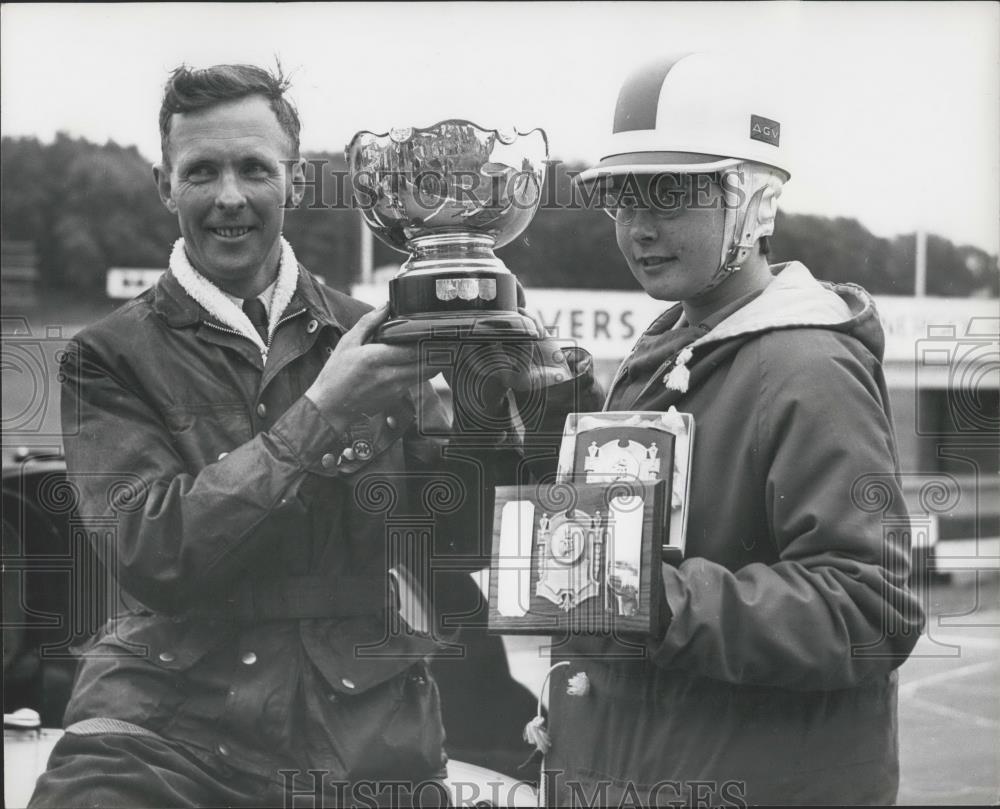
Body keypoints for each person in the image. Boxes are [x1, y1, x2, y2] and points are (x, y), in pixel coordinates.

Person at [29, 63, 596, 808]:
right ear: (165, 185)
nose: (229, 196)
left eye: (254, 169)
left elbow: (450, 545)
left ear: (294, 183)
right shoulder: (106, 355)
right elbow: (154, 553)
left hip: (364, 743)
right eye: (202, 171)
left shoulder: (375, 328)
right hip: (162, 737)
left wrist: (499, 412)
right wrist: (321, 414)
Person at [541, 53, 925, 806]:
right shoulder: (668, 347)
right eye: (621, 197)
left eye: (671, 196)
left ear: (752, 203)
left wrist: (647, 597)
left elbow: (872, 609)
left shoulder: (807, 365)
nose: (639, 228)